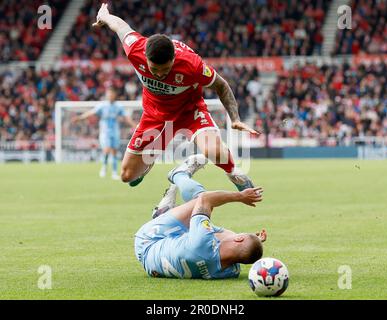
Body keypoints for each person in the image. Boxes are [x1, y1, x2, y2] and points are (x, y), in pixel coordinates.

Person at [92, 3, 261, 191]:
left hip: (190, 111)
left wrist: (235, 118)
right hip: (154, 116)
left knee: (212, 150)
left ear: (174, 60)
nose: (159, 74)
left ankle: (234, 175)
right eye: (154, 69)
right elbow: (120, 26)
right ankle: (150, 160)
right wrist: (104, 15)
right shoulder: (135, 49)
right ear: (145, 57)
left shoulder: (192, 65)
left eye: (165, 70)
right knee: (127, 176)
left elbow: (221, 85)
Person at [135, 154, 267, 279]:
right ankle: (163, 215)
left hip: (149, 241)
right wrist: (254, 244)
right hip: (152, 265)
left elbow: (206, 199)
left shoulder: (202, 242)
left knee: (201, 199)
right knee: (205, 225)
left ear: (239, 239)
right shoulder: (230, 272)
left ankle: (178, 175)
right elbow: (235, 246)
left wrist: (240, 196)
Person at [73, 87, 135, 180]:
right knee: (106, 150)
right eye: (108, 94)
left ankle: (114, 172)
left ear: (114, 95)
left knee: (114, 151)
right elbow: (91, 112)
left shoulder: (118, 106)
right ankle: (104, 168)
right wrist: (80, 118)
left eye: (111, 94)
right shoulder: (102, 105)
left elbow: (126, 118)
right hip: (105, 131)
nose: (110, 95)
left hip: (115, 131)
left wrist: (135, 126)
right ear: (106, 95)